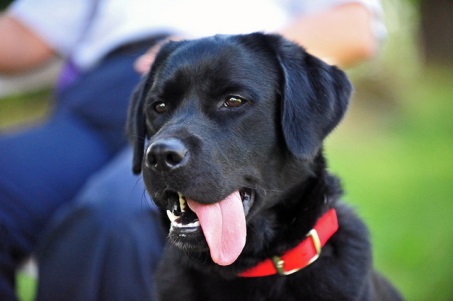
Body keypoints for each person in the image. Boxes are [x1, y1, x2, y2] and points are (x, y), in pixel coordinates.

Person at [0, 1, 386, 300]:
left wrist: (228, 54)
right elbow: (25, 34)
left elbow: (356, 25)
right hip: (107, 93)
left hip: (239, 62)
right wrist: (160, 110)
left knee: (115, 219)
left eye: (234, 101)